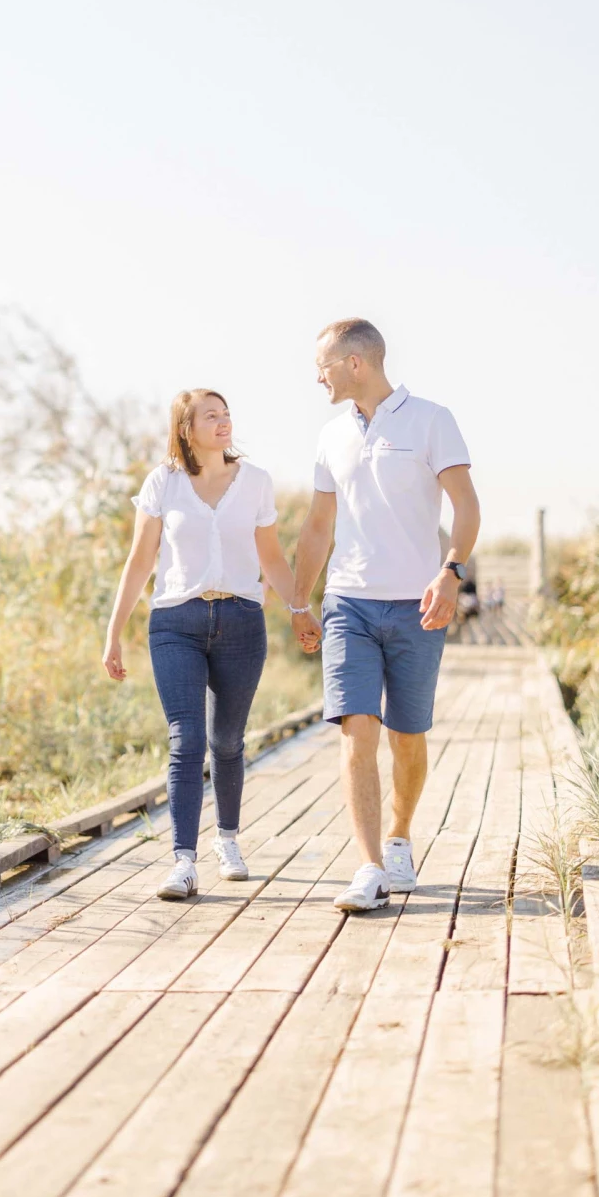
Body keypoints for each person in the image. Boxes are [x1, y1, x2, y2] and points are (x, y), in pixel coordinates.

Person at [290, 319, 480, 913]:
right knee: (357, 729)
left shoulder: (431, 420)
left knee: (408, 735)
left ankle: (398, 838)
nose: (316, 377)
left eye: (322, 365)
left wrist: (450, 572)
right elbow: (318, 527)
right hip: (348, 602)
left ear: (355, 363)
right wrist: (299, 600)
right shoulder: (330, 435)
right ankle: (370, 867)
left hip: (416, 606)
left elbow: (466, 505)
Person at [103, 389, 301, 901]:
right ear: (186, 429)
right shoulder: (163, 483)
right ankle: (183, 862)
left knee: (227, 741)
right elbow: (140, 561)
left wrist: (301, 609)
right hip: (176, 622)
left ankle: (227, 840)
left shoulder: (255, 482)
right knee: (186, 740)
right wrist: (114, 632)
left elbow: (273, 558)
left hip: (241, 621)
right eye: (210, 415)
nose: (223, 421)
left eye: (226, 413)